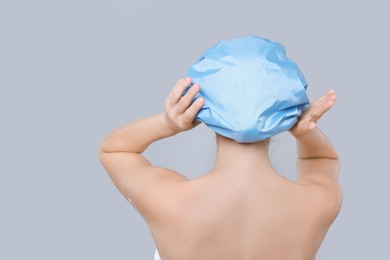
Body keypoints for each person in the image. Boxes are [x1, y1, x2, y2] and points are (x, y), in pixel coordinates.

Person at [98, 77, 342, 260]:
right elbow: (322, 161)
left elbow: (114, 150)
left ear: (205, 112)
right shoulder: (314, 205)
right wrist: (305, 132)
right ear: (283, 116)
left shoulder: (168, 200)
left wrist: (168, 123)